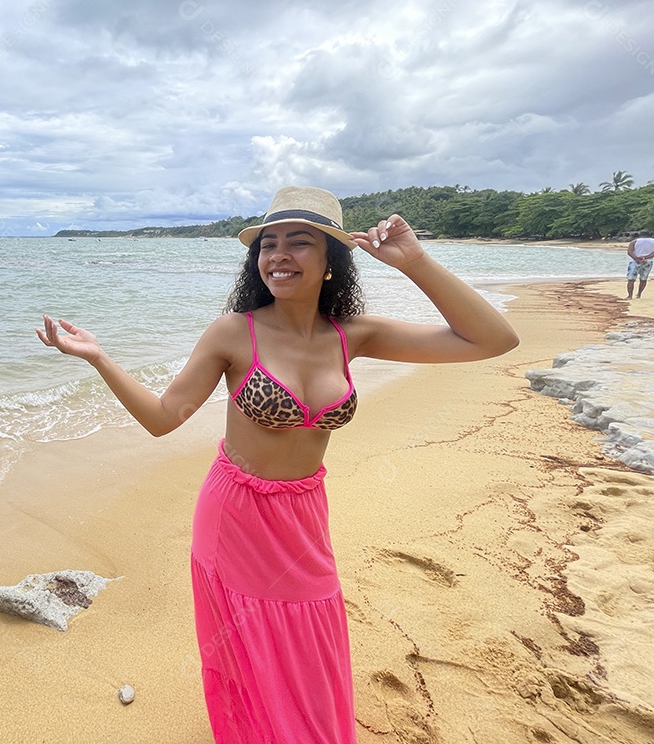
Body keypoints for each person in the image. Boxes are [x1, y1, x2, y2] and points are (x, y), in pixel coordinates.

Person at [36, 186, 519, 743]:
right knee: (250, 647)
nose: (279, 255)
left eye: (299, 242)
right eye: (268, 244)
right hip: (236, 515)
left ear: (331, 260)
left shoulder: (353, 335)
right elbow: (164, 418)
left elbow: (492, 340)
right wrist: (99, 358)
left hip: (304, 512)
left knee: (311, 639)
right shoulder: (233, 332)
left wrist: (415, 263)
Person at [626, 229, 654, 299]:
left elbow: (629, 252)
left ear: (640, 234)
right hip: (648, 261)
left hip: (635, 261)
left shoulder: (634, 241)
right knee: (643, 279)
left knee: (631, 279)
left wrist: (636, 259)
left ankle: (630, 296)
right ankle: (639, 294)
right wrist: (646, 257)